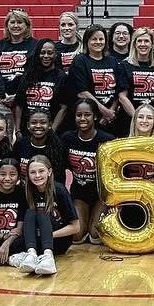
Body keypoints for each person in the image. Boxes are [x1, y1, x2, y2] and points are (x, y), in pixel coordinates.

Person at [10, 155, 79, 275]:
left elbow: (75, 227)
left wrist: (47, 235)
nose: (37, 176)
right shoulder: (27, 191)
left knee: (41, 213)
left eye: (41, 171)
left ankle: (48, 257)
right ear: (28, 175)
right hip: (36, 238)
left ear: (49, 172)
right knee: (29, 215)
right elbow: (24, 222)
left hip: (57, 239)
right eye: (33, 172)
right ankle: (31, 255)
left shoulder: (59, 190)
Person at [60, 99, 115, 244]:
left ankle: (94, 220)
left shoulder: (107, 140)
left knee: (95, 234)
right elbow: (61, 168)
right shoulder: (67, 138)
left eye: (87, 114)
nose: (82, 118)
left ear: (95, 116)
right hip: (79, 193)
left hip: (101, 195)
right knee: (76, 235)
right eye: (79, 115)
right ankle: (85, 220)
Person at [69, 25, 132, 135]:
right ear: (87, 41)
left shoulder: (113, 61)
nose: (98, 42)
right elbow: (82, 92)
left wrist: (111, 111)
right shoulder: (80, 61)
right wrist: (104, 111)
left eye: (101, 39)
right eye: (94, 39)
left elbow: (119, 91)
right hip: (90, 118)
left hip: (112, 118)